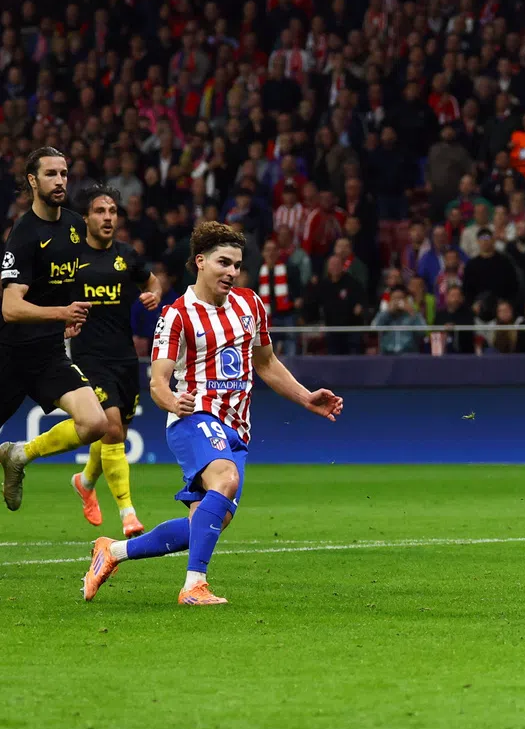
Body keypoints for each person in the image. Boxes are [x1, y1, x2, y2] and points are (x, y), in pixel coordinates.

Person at [81, 221, 343, 606]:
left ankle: (112, 552)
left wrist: (306, 398)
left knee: (207, 522)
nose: (232, 272)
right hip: (193, 419)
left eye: (237, 264)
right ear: (200, 262)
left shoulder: (250, 304)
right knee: (225, 477)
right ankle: (193, 586)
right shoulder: (177, 314)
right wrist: (173, 401)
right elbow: (157, 382)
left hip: (237, 427)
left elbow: (266, 363)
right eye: (224, 262)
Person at [0, 147, 109, 511]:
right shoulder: (24, 233)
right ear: (32, 180)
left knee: (95, 423)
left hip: (48, 354)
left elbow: (72, 278)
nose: (60, 180)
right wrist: (60, 311)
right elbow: (11, 307)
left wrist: (69, 318)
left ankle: (18, 455)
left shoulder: (76, 225)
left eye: (64, 173)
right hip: (10, 354)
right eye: (51, 174)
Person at [69, 185, 162, 538]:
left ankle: (85, 480)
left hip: (124, 356)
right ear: (86, 219)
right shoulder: (71, 258)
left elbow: (152, 280)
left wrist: (153, 293)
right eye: (100, 211)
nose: (108, 217)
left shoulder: (127, 254)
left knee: (117, 430)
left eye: (112, 212)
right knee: (110, 427)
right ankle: (128, 512)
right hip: (89, 356)